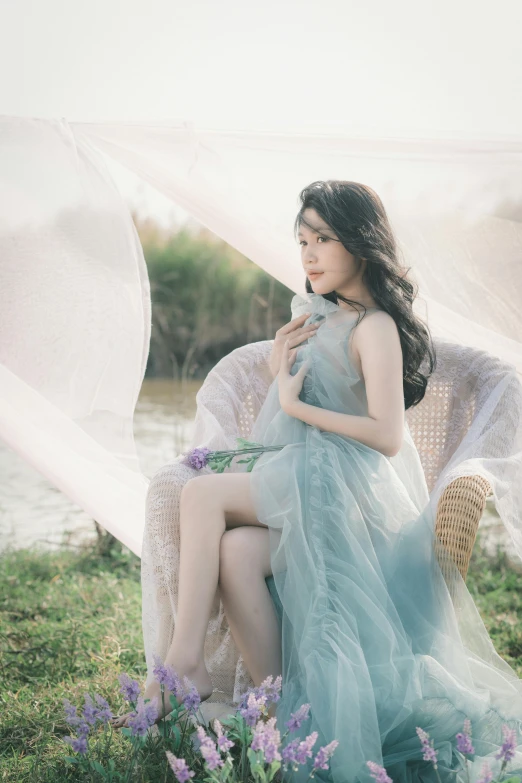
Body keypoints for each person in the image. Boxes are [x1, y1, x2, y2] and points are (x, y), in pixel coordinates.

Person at [111, 181, 522, 782]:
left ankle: (183, 662)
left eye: (323, 239)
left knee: (202, 494)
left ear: (361, 241)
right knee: (234, 551)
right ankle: (281, 708)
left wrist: (295, 404)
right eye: (302, 240)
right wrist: (283, 365)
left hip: (350, 492)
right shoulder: (317, 316)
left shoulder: (375, 326)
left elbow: (385, 434)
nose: (308, 254)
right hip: (307, 477)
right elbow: (289, 414)